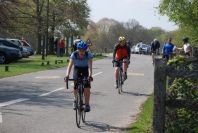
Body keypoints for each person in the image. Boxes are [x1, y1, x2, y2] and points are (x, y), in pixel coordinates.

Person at [65, 40, 93, 112]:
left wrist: (90, 75)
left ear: (85, 50)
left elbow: (90, 67)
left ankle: (87, 104)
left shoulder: (88, 55)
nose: (82, 52)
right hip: (77, 68)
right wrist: (67, 75)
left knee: (87, 86)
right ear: (77, 49)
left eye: (83, 50)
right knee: (76, 83)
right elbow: (70, 66)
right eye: (80, 50)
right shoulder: (74, 54)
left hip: (85, 69)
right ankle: (75, 100)